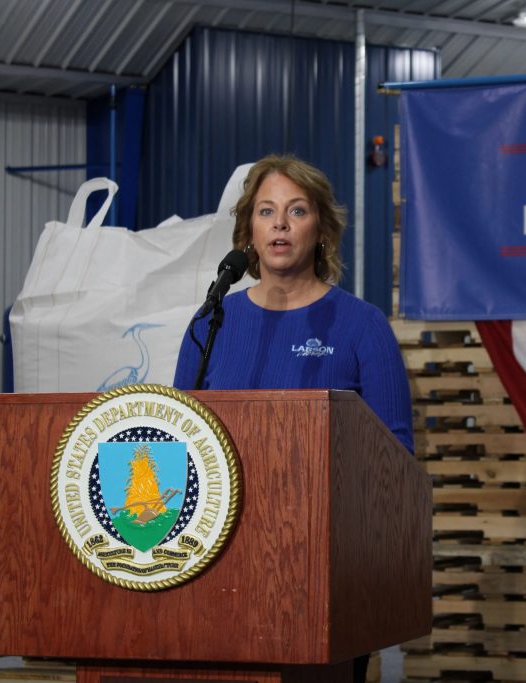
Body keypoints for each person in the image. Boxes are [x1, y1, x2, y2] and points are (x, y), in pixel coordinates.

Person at [173, 154, 413, 682]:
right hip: (220, 562)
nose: (280, 223)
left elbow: (395, 463)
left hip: (322, 571)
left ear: (321, 230)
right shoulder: (212, 323)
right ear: (248, 233)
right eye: (266, 211)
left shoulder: (362, 326)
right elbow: (176, 443)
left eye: (296, 210)